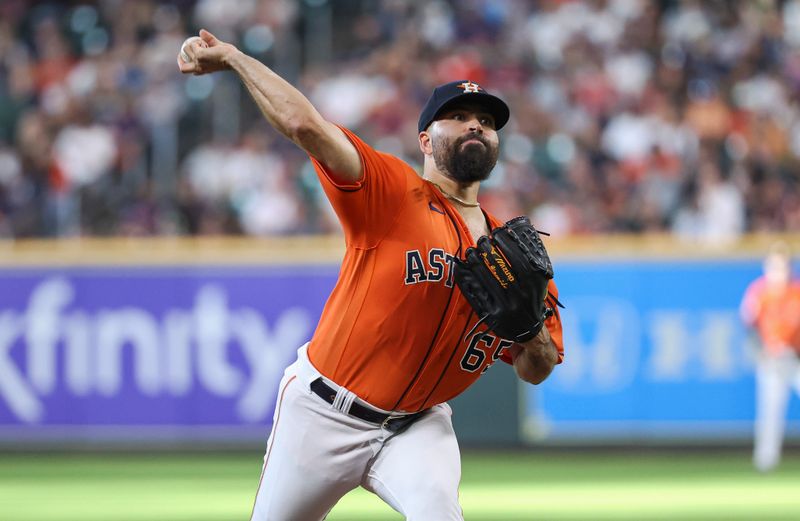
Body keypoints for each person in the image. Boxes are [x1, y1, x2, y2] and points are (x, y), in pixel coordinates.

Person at [179, 29, 564, 520]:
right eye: (459, 117)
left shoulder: (515, 256)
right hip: (322, 415)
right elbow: (304, 124)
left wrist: (530, 330)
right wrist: (234, 58)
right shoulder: (390, 190)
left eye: (486, 121)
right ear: (425, 140)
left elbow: (538, 368)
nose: (475, 125)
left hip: (418, 427)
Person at [740, 241, 800, 473]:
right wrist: (759, 355)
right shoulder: (759, 293)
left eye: (783, 266)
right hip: (772, 359)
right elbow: (748, 327)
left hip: (796, 358)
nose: (779, 272)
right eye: (775, 266)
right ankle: (766, 461)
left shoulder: (796, 292)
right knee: (770, 410)